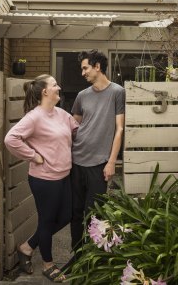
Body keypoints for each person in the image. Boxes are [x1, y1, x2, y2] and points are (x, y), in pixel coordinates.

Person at [4, 74, 79, 283]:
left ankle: (27, 246)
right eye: (55, 85)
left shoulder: (61, 113)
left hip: (64, 175)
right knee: (46, 221)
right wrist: (33, 156)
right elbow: (11, 139)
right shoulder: (34, 117)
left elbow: (76, 131)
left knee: (65, 216)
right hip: (44, 179)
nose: (59, 87)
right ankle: (48, 264)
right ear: (45, 92)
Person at [67, 49, 126, 265]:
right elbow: (73, 127)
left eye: (85, 68)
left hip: (99, 163)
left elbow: (119, 129)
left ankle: (95, 260)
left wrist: (111, 162)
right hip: (76, 160)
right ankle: (78, 258)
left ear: (97, 67)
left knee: (95, 213)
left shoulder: (117, 92)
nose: (82, 72)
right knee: (75, 213)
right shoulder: (82, 96)